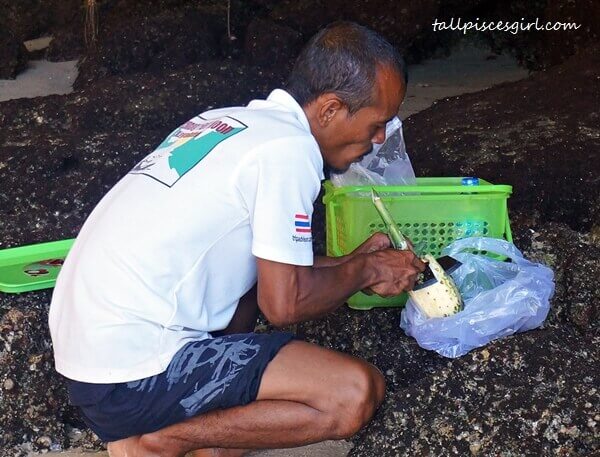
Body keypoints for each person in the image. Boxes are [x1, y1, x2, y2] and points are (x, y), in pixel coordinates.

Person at [48, 21, 425, 457]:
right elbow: (284, 304)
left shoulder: (227, 122)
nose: (379, 140)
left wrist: (352, 265)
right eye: (377, 124)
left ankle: (183, 437)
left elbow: (270, 268)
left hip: (93, 360)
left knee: (246, 294)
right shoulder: (288, 151)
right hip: (132, 373)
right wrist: (370, 269)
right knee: (354, 393)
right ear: (330, 110)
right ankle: (156, 441)